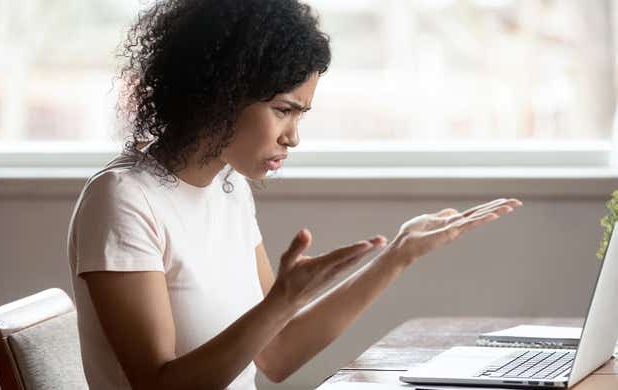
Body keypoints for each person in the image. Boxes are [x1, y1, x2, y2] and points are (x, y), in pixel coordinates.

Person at [66, 0, 523, 389]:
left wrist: (399, 254)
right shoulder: (123, 199)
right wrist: (282, 301)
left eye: (301, 115)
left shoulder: (228, 188)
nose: (293, 138)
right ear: (219, 93)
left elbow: (276, 354)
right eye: (284, 110)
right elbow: (158, 386)